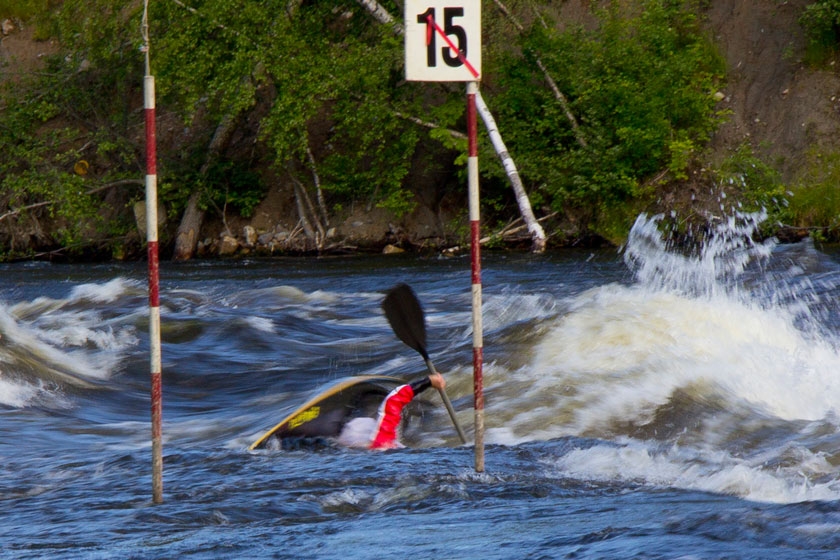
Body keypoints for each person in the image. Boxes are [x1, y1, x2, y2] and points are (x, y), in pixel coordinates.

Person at [337, 372, 446, 450]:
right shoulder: (384, 440)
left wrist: (429, 381)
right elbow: (393, 401)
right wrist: (427, 382)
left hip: (354, 434)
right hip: (359, 430)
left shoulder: (383, 442)